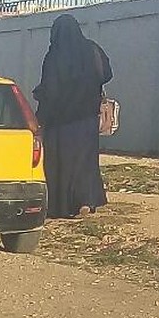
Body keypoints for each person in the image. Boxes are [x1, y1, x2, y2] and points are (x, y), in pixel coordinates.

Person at [33, 13, 113, 219]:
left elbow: (50, 90)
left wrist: (40, 116)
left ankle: (62, 205)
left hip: (61, 121)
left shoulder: (54, 56)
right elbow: (107, 74)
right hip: (87, 118)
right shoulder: (92, 49)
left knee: (60, 162)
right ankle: (85, 201)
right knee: (86, 161)